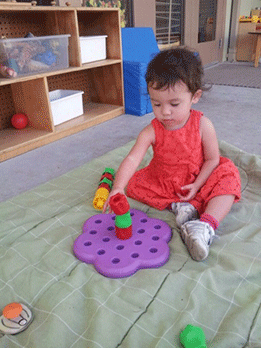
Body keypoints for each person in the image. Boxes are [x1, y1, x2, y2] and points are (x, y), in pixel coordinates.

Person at [103, 47, 241, 261]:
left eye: (174, 104)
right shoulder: (152, 130)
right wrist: (118, 188)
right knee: (132, 183)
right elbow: (133, 158)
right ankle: (180, 206)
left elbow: (212, 159)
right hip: (164, 183)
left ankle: (204, 225)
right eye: (156, 103)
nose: (165, 112)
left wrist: (197, 185)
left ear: (195, 96)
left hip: (196, 180)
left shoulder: (203, 125)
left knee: (229, 175)